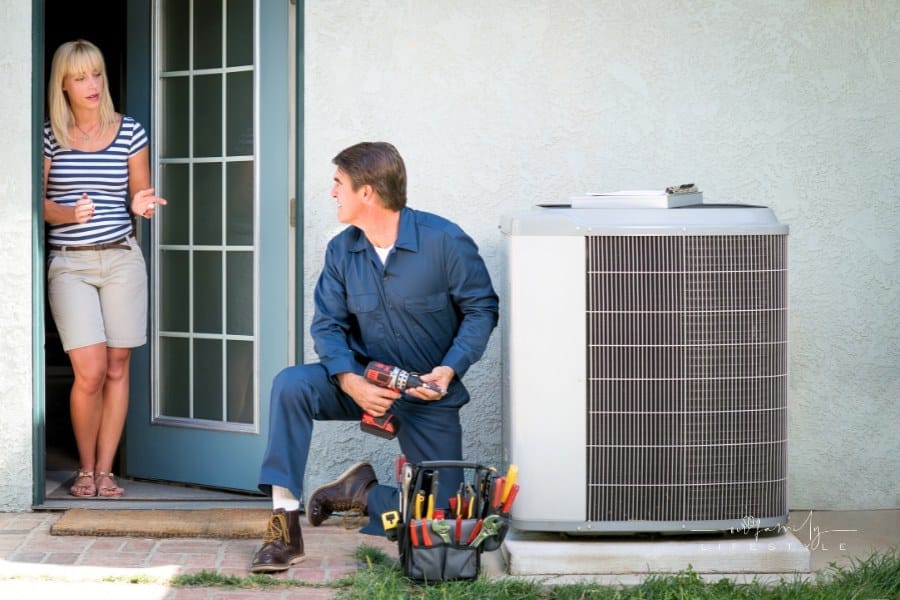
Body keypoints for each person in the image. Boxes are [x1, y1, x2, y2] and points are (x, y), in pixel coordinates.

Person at [251, 142, 499, 572]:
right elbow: (328, 326)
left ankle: (362, 493)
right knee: (290, 385)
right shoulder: (341, 251)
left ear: (366, 193)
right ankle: (283, 527)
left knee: (442, 523)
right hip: (364, 382)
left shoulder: (445, 241)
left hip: (426, 395)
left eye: (338, 184)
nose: (332, 193)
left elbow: (482, 309)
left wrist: (450, 367)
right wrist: (351, 381)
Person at [43, 39, 166, 498]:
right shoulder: (49, 135)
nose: (92, 84)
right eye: (80, 77)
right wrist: (67, 213)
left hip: (121, 258)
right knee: (90, 371)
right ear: (64, 85)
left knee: (117, 367)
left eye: (96, 74)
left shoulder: (130, 131)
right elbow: (39, 203)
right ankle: (84, 468)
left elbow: (139, 194)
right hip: (70, 264)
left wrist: (142, 203)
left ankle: (105, 472)